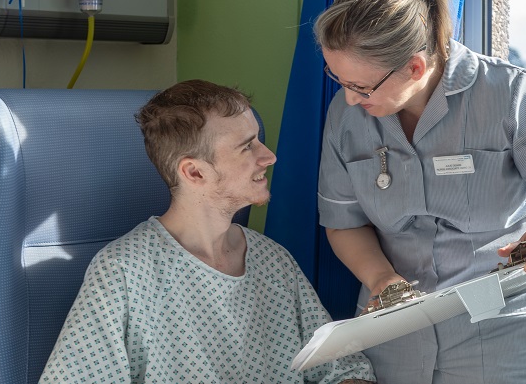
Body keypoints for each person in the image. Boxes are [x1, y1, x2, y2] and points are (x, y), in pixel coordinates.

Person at [314, 0, 526, 384]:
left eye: (362, 87)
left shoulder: (505, 93)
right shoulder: (346, 115)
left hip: (505, 324)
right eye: (338, 79)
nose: (349, 98)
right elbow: (344, 224)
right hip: (397, 326)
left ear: (414, 67)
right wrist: (382, 280)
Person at [39, 80, 375, 384]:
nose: (269, 157)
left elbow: (344, 369)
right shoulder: (123, 273)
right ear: (195, 172)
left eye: (259, 139)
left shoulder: (273, 261)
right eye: (247, 146)